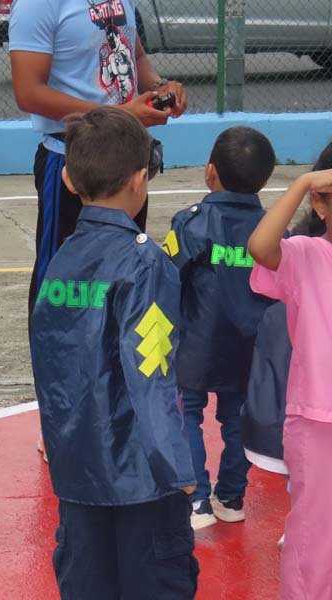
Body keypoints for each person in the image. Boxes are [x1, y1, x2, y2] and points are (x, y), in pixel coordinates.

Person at [30, 107, 198, 600]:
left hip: (76, 468)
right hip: (141, 475)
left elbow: (52, 361)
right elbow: (152, 369)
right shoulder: (145, 263)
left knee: (86, 582)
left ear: (68, 178)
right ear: (140, 178)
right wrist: (176, 465)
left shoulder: (60, 259)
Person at [9, 0, 189, 318]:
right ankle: (58, 353)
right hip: (75, 159)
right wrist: (117, 114)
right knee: (62, 286)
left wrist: (162, 87)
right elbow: (28, 92)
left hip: (128, 154)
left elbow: (136, 56)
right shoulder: (38, 4)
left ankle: (110, 349)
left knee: (124, 271)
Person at [162, 126, 276, 529]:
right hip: (249, 347)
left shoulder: (191, 223)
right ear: (265, 179)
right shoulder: (271, 229)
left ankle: (196, 500)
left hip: (196, 344)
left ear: (210, 172)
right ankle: (230, 496)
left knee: (186, 417)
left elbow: (168, 277)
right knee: (238, 422)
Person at [248, 157, 332, 600]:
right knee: (315, 537)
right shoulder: (306, 255)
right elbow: (261, 247)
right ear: (321, 205)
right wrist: (301, 183)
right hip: (318, 422)